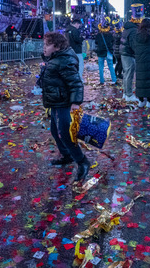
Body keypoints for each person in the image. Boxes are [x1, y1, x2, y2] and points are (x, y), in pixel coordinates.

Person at [39, 32, 89, 182]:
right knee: (55, 131)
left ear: (57, 46)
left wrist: (75, 102)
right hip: (56, 101)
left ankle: (82, 161)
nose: (44, 48)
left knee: (66, 134)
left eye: (47, 45)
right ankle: (67, 155)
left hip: (63, 102)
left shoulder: (65, 61)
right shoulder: (56, 58)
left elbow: (75, 83)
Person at [120, 14, 141, 103]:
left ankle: (125, 93)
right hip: (128, 53)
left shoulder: (127, 29)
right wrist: (137, 52)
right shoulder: (133, 31)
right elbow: (133, 44)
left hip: (124, 52)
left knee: (126, 74)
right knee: (129, 74)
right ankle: (129, 94)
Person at [94, 19, 117, 85]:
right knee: (111, 66)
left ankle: (102, 81)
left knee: (101, 67)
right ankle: (114, 80)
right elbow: (113, 42)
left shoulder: (98, 35)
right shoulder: (110, 35)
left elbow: (96, 42)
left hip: (100, 52)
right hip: (108, 52)